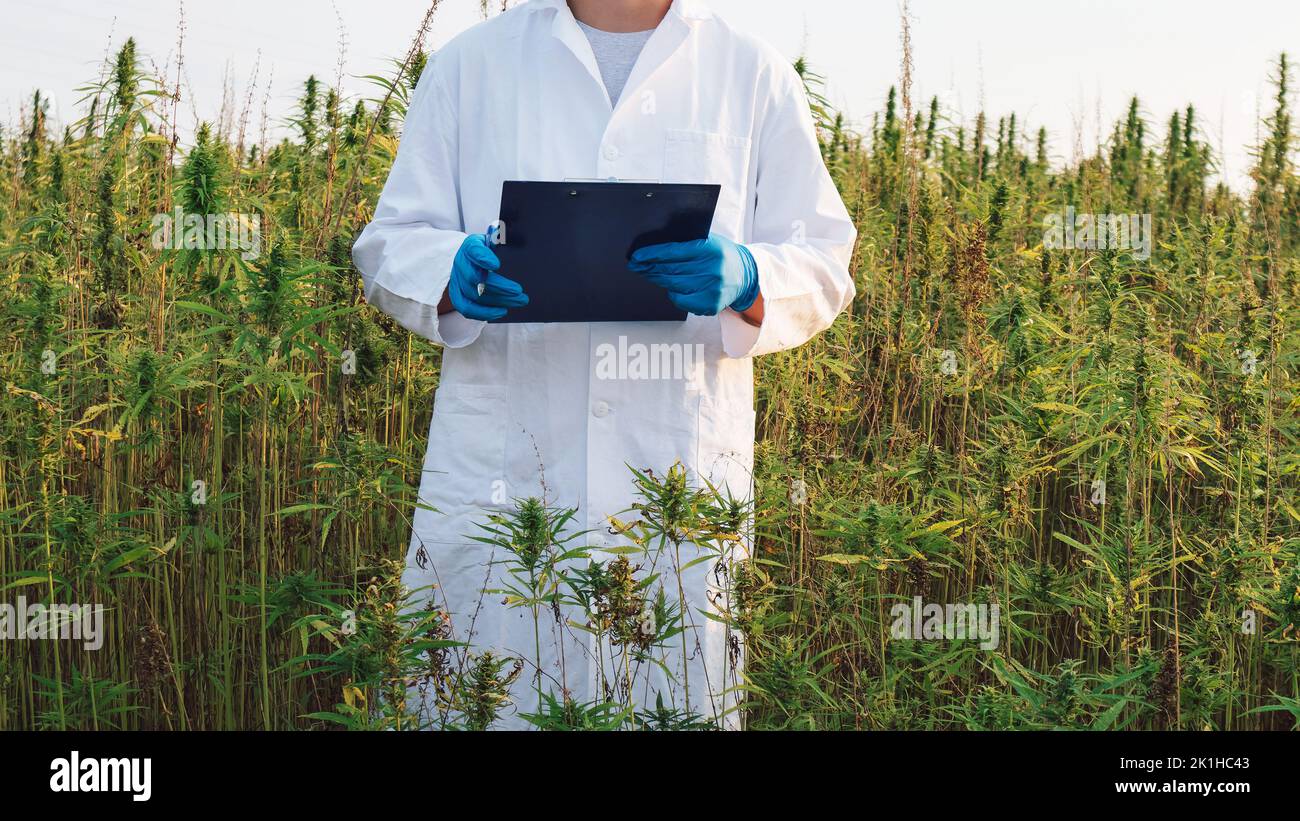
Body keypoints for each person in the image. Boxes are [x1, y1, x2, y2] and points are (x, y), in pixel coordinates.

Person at [352, 0, 855, 729]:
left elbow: (824, 259)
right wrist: (447, 271)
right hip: (506, 470)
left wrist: (750, 277)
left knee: (669, 693)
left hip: (676, 474)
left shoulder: (752, 73)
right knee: (487, 695)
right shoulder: (470, 65)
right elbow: (390, 241)